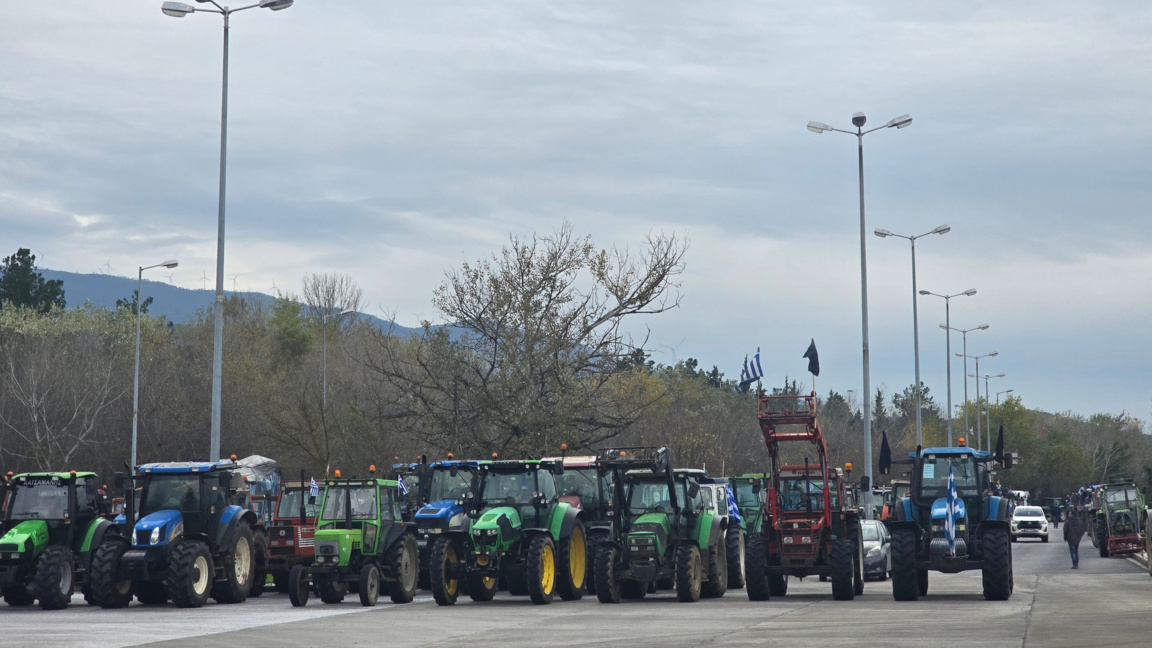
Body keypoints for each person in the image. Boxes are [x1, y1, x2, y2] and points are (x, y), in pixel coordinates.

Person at [1064, 503, 1086, 569]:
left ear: (1071, 514)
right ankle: (1077, 563)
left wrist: (1065, 537)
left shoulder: (1068, 522)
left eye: (1069, 513)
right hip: (1077, 538)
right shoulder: (1079, 521)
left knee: (1072, 552)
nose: (1068, 514)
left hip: (1070, 538)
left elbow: (1065, 530)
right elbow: (1082, 530)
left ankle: (1074, 564)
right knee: (1076, 551)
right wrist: (1079, 536)